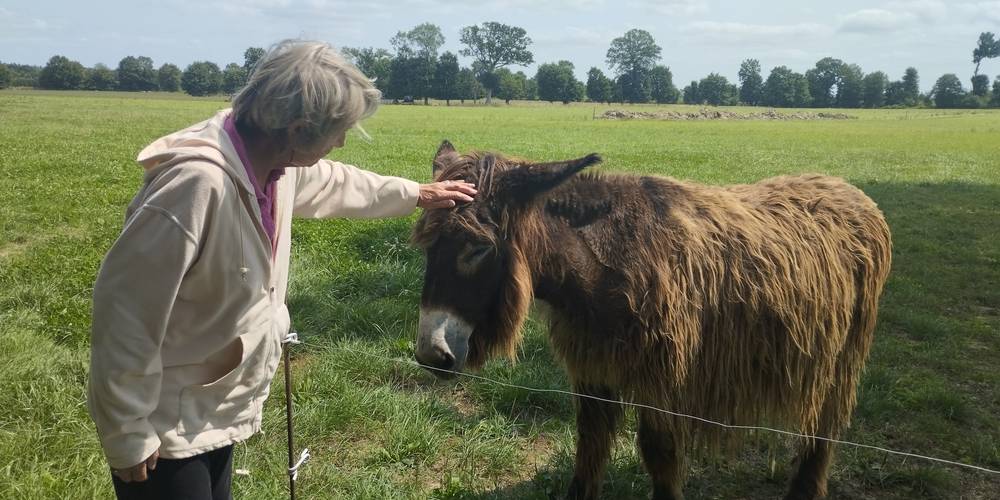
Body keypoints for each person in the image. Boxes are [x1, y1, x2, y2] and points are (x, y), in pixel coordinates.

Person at [87, 39, 476, 500]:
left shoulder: (271, 166)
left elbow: (337, 183)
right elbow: (125, 315)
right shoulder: (194, 186)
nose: (342, 142)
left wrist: (417, 193)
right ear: (297, 130)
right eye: (338, 130)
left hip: (207, 407)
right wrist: (128, 430)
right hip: (164, 422)